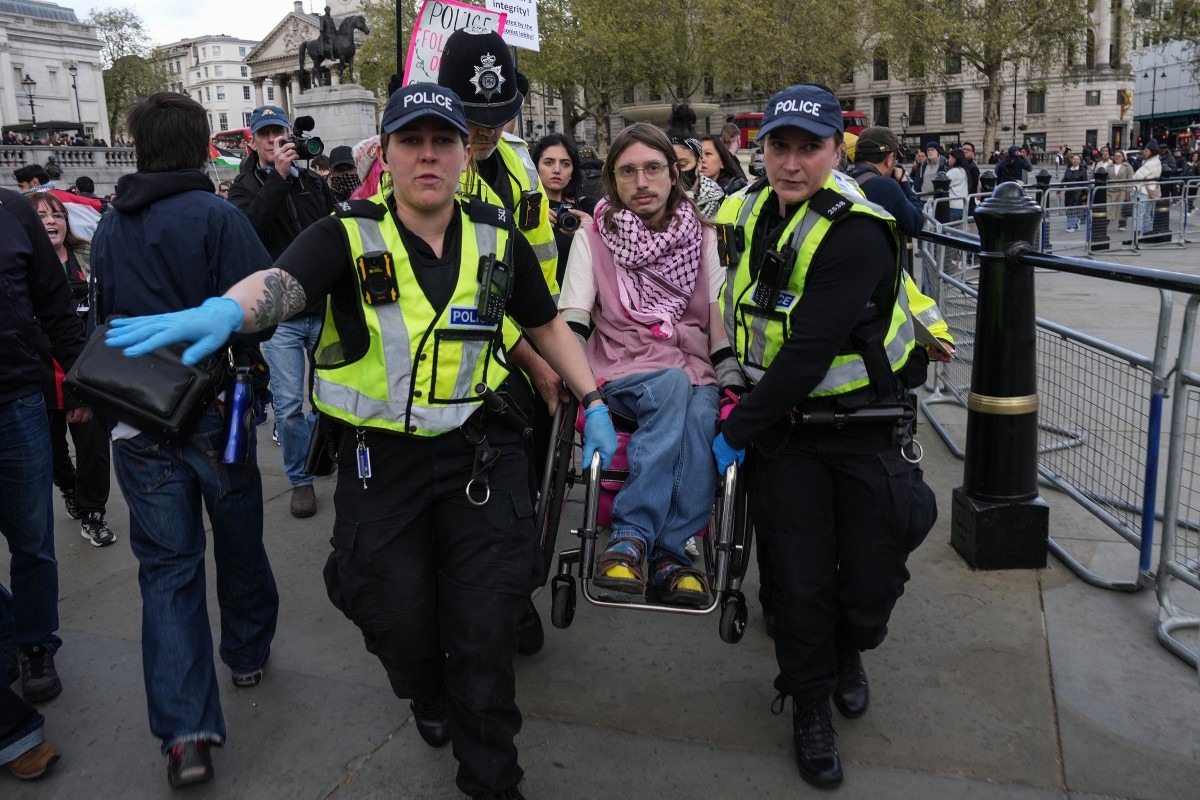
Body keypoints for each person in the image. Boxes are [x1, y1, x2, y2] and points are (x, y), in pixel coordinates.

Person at [103, 82, 618, 800]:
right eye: (412, 141)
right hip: (382, 465)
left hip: (480, 456)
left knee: (484, 630)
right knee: (395, 615)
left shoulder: (497, 235)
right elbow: (282, 283)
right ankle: (425, 689)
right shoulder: (346, 233)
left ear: (463, 152)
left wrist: (592, 399)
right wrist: (229, 310)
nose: (428, 155)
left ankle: (492, 781)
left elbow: (544, 323)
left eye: (443, 141)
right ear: (389, 153)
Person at [711, 85, 936, 789]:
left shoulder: (857, 230)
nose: (792, 162)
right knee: (798, 584)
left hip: (861, 423)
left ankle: (850, 648)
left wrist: (734, 430)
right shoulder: (743, 210)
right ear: (761, 150)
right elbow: (728, 300)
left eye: (810, 148)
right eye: (779, 146)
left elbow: (809, 351)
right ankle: (809, 702)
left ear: (838, 151)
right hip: (788, 434)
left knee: (870, 582)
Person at [89, 92, 280, 788]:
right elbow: (261, 311)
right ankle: (247, 650)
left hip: (137, 413)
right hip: (216, 410)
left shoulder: (110, 226)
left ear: (138, 148)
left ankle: (185, 735)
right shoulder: (217, 216)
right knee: (238, 533)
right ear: (203, 146)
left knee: (167, 570)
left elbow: (103, 314)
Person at [559, 122, 735, 607]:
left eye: (653, 168)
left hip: (692, 364)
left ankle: (668, 552)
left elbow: (715, 320)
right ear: (612, 180)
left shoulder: (704, 236)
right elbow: (574, 318)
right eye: (628, 171)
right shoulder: (593, 237)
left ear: (674, 174)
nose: (641, 182)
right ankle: (633, 535)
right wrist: (576, 386)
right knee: (673, 386)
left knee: (702, 413)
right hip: (620, 365)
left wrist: (732, 383)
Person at [1, 182, 88, 711]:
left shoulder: (13, 210)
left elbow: (56, 306)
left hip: (16, 401)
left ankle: (35, 643)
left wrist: (79, 379)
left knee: (32, 539)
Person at [229, 104, 338, 519]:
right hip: (279, 316)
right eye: (266, 134)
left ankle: (324, 454)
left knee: (330, 396)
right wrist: (277, 178)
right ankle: (300, 479)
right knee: (290, 404)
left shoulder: (311, 180)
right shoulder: (244, 187)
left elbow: (334, 230)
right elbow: (251, 231)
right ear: (254, 142)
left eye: (280, 132)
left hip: (321, 305)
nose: (275, 140)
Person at [27, 191, 117, 547]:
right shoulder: (19, 264)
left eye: (57, 214)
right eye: (41, 216)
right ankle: (69, 487)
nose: (51, 221)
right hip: (39, 376)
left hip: (86, 369)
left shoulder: (88, 256)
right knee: (51, 452)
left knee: (94, 447)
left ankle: (93, 513)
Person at [532, 132, 596, 286]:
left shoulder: (587, 207)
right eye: (549, 162)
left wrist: (593, 229)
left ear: (573, 171)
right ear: (536, 167)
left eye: (565, 164)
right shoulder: (524, 209)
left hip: (581, 296)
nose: (557, 170)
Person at [1132, 139, 1162, 236]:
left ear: (1152, 152)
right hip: (1151, 190)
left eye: (1146, 151)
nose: (1145, 152)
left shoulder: (1150, 163)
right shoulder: (1157, 161)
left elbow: (1137, 176)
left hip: (1143, 191)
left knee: (1138, 214)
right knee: (1147, 214)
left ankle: (1136, 235)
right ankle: (1145, 234)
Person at [1109, 149, 1135, 230]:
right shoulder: (1109, 167)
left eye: (1119, 156)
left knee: (1121, 208)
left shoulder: (1128, 167)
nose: (1117, 157)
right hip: (1111, 190)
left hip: (1122, 190)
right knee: (1109, 208)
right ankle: (1106, 223)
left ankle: (1122, 225)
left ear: (1123, 157)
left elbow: (1130, 179)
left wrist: (1128, 191)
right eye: (1115, 156)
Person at [1062, 153, 1088, 232]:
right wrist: (1059, 190)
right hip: (1068, 193)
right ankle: (1075, 223)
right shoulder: (1068, 170)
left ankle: (1071, 226)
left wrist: (1085, 194)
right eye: (1074, 159)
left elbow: (1085, 182)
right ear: (1071, 160)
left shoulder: (1082, 170)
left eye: (1077, 159)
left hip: (1078, 193)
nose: (1075, 160)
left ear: (1080, 161)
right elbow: (1064, 180)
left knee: (1074, 209)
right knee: (1068, 209)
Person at [945, 148, 970, 222]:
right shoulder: (963, 170)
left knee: (948, 227)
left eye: (950, 157)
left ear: (955, 159)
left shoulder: (955, 171)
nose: (948, 160)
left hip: (953, 206)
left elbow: (941, 182)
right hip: (961, 206)